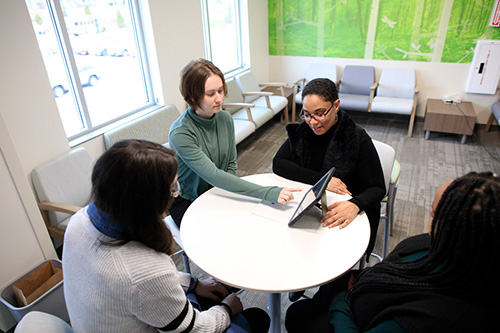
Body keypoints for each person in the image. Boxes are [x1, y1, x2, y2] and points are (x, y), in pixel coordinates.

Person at [62, 139, 270, 333]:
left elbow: (143, 286)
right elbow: (196, 329)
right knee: (257, 317)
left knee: (216, 290)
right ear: (146, 201)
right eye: (172, 189)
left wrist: (194, 284)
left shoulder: (79, 221)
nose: (175, 193)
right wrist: (227, 309)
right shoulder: (143, 271)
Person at [285, 171, 499, 332]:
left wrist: (342, 301)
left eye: (434, 214)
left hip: (353, 314)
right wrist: (363, 278)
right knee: (328, 283)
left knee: (296, 315)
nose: (429, 221)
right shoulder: (434, 245)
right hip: (365, 289)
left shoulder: (426, 319)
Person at [169, 58, 301, 226]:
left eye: (221, 91)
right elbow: (214, 175)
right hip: (189, 200)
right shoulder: (180, 133)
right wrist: (268, 193)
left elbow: (231, 165)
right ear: (193, 97)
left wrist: (226, 194)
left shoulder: (224, 118)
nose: (219, 99)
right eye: (211, 94)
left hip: (219, 190)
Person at [273, 78, 386, 256]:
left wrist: (356, 204)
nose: (313, 122)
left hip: (344, 209)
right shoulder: (304, 131)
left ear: (336, 105)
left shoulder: (356, 138)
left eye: (320, 113)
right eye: (307, 114)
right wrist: (322, 181)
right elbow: (278, 163)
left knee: (333, 268)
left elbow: (378, 188)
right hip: (313, 208)